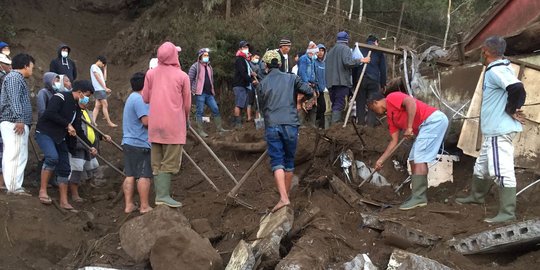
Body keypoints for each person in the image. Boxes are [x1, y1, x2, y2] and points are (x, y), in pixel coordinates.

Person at [455, 36, 526, 223]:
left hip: (498, 131)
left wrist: (511, 109)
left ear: (485, 51)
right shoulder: (499, 69)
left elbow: (518, 88)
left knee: (501, 170)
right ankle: (477, 196)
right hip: (492, 132)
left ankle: (507, 212)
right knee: (482, 167)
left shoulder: (497, 71)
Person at [368, 91, 448, 210]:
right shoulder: (391, 118)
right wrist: (381, 160)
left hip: (432, 121)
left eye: (373, 108)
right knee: (413, 158)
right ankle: (417, 194)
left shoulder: (391, 97)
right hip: (425, 127)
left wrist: (409, 127)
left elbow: (411, 102)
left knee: (420, 157)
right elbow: (394, 141)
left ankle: (420, 197)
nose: (374, 112)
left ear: (375, 102)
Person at [257, 49, 313, 212]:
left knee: (277, 161)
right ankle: (285, 196)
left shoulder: (262, 84)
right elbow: (309, 91)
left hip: (273, 124)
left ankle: (283, 198)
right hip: (291, 123)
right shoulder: (292, 78)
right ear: (280, 64)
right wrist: (299, 101)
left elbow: (261, 108)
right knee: (288, 161)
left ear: (266, 66)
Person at [142, 42, 191, 208]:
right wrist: (185, 120)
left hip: (155, 124)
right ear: (173, 56)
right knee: (169, 161)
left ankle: (159, 197)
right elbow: (187, 104)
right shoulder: (182, 76)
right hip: (173, 125)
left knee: (156, 162)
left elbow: (146, 98)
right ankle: (163, 196)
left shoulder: (150, 74)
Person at [36, 80, 96, 211]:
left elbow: (78, 129)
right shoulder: (61, 97)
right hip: (45, 133)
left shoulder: (77, 108)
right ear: (79, 92)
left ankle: (64, 201)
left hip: (60, 137)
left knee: (65, 167)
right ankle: (42, 191)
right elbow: (50, 113)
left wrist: (89, 146)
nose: (87, 99)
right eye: (87, 95)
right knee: (52, 157)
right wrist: (67, 124)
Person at [69, 86, 111, 202]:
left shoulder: (89, 113)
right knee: (76, 168)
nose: (87, 99)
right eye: (86, 96)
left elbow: (92, 129)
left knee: (92, 166)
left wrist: (102, 136)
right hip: (79, 145)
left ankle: (88, 190)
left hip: (89, 146)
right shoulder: (74, 112)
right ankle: (74, 194)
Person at [0, 53, 34, 195]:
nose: (32, 70)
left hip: (16, 122)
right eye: (32, 67)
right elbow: (14, 99)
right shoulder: (14, 77)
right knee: (14, 153)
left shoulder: (17, 78)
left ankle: (15, 185)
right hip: (14, 122)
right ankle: (14, 187)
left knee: (19, 154)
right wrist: (19, 118)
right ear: (25, 66)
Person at [122, 72, 153, 214]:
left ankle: (129, 205)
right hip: (140, 142)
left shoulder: (131, 98)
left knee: (130, 174)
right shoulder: (140, 99)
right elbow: (146, 121)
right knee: (144, 174)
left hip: (128, 141)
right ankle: (144, 206)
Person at [325, 31, 370, 124]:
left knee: (334, 104)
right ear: (346, 40)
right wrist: (361, 60)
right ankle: (335, 125)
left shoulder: (330, 51)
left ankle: (331, 126)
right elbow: (348, 62)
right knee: (339, 104)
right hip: (341, 81)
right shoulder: (345, 49)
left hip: (330, 83)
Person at [188, 48, 227, 137]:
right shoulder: (195, 66)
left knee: (215, 109)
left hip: (209, 93)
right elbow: (189, 79)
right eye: (205, 55)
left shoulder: (209, 67)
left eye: (207, 55)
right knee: (200, 112)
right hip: (199, 93)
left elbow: (211, 80)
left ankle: (219, 128)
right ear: (200, 56)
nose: (207, 57)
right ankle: (200, 131)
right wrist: (191, 90)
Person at [355, 35, 387, 126]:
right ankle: (370, 125)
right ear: (376, 42)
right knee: (373, 103)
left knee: (360, 102)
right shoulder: (379, 52)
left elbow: (355, 66)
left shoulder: (360, 50)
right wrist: (383, 84)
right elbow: (382, 69)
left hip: (361, 79)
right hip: (373, 80)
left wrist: (354, 81)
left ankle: (360, 124)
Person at [232, 40, 256, 128]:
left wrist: (252, 74)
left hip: (244, 85)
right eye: (244, 47)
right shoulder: (239, 59)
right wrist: (251, 80)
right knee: (239, 104)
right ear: (240, 49)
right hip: (239, 84)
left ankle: (238, 122)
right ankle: (237, 123)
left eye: (247, 47)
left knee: (242, 104)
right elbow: (242, 73)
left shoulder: (246, 60)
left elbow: (246, 71)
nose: (246, 49)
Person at [297, 41, 319, 127]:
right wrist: (306, 83)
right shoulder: (303, 59)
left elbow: (314, 73)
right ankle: (300, 125)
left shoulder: (312, 60)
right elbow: (302, 72)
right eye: (316, 52)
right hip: (304, 86)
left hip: (312, 85)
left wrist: (316, 87)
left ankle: (312, 125)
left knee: (313, 106)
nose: (316, 54)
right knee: (303, 104)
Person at [90, 56, 117, 127]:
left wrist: (105, 70)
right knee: (105, 104)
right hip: (99, 89)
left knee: (97, 106)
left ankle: (92, 121)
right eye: (103, 64)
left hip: (100, 89)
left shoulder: (98, 69)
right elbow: (97, 78)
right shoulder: (94, 66)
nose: (103, 65)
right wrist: (105, 88)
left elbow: (104, 79)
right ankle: (109, 122)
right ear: (99, 60)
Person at [0, 53, 10, 191]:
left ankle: (2, 183)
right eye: (7, 64)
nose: (10, 67)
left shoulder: (5, 78)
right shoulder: (4, 79)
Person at [314, 44, 328, 129]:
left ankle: (321, 127)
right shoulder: (313, 63)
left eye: (322, 51)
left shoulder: (324, 64)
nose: (321, 52)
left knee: (324, 108)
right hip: (315, 89)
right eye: (319, 50)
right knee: (317, 108)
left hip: (323, 90)